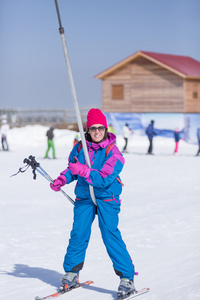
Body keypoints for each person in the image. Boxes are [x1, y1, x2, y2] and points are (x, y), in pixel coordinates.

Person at [50, 108, 136, 298]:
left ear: (106, 129)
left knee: (110, 235)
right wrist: (62, 179)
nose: (97, 132)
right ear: (87, 130)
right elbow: (72, 169)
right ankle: (72, 272)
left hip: (107, 197)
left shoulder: (113, 152)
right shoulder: (80, 148)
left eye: (100, 128)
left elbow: (103, 178)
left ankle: (126, 278)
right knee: (78, 233)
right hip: (85, 197)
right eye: (93, 128)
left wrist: (82, 171)